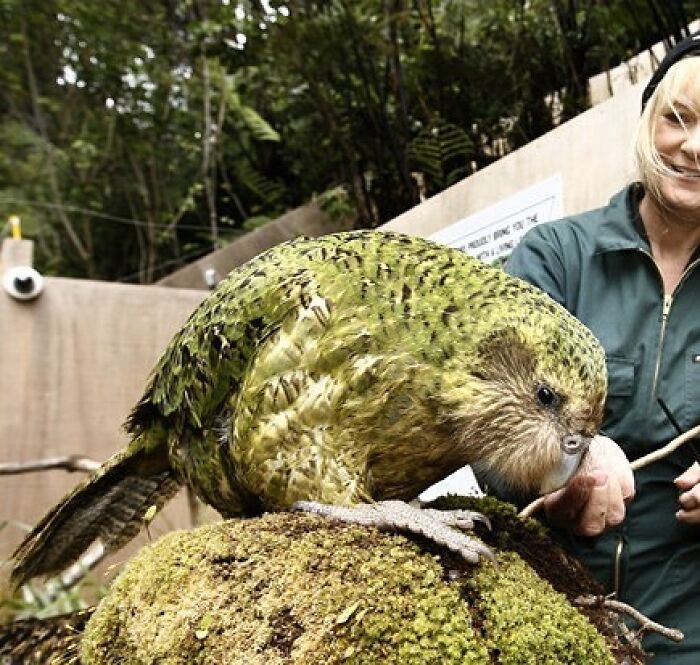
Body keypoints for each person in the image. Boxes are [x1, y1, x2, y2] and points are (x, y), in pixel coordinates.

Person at [505, 33, 700, 663]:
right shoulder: (555, 258)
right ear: (646, 119)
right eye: (679, 117)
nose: (694, 147)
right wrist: (565, 454)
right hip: (548, 605)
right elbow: (480, 415)